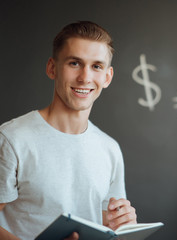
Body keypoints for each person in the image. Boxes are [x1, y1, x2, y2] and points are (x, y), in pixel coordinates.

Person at [0, 21, 137, 240]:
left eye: (97, 66)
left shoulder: (110, 149)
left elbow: (101, 224)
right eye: (74, 63)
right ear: (52, 68)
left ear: (108, 77)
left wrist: (121, 225)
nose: (85, 77)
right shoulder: (12, 138)